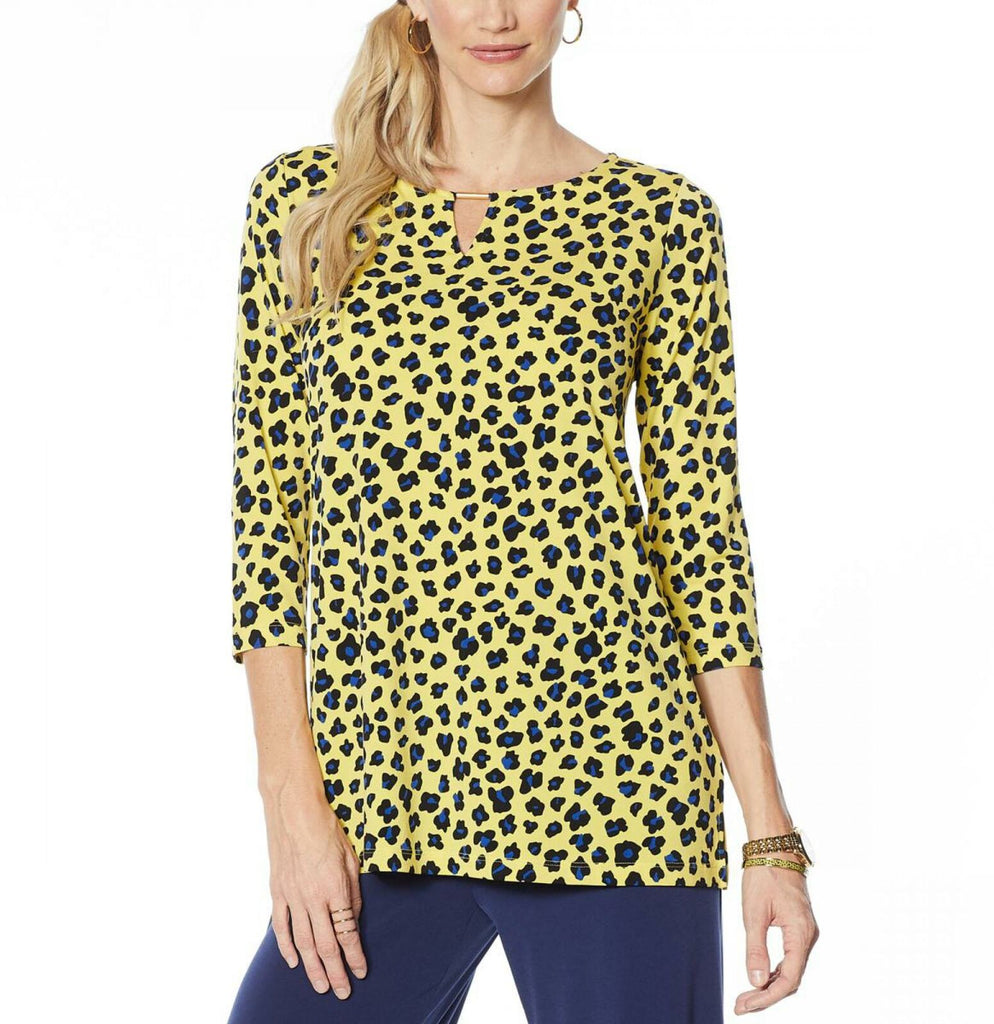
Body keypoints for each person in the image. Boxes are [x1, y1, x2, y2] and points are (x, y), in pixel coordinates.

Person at [226, 2, 820, 1021]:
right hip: (381, 799)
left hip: (615, 788)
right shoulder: (308, 203)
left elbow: (703, 540)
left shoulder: (659, 219)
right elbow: (266, 524)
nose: (498, 15)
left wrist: (769, 836)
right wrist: (292, 807)